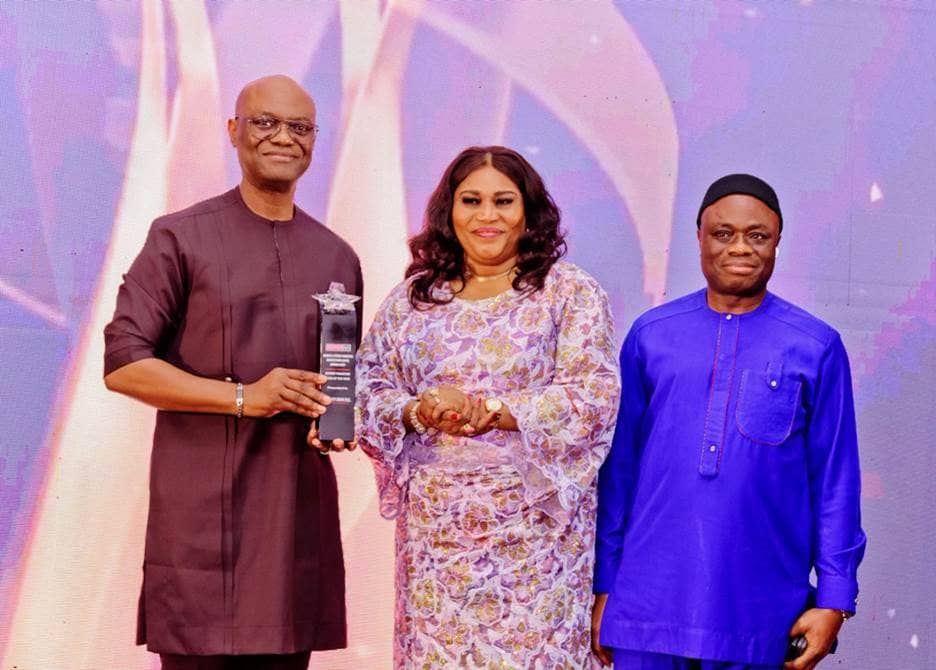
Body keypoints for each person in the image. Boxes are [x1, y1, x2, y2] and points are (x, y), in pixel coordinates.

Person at [103, 75, 362, 670]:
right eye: (265, 122)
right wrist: (246, 396)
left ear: (314, 142)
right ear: (233, 131)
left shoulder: (338, 257)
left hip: (293, 527)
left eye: (299, 128)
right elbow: (123, 363)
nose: (282, 138)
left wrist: (343, 416)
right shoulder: (179, 236)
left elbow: (341, 379)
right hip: (202, 526)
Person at [355, 146, 620, 668]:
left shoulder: (569, 293)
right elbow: (367, 385)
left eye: (503, 201)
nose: (487, 216)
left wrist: (491, 410)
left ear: (530, 211)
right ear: (448, 212)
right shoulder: (414, 299)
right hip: (437, 539)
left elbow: (591, 395)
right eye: (471, 200)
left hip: (536, 541)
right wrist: (419, 411)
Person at [592, 174, 866, 670]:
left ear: (777, 241)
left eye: (757, 235)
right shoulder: (651, 336)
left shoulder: (815, 346)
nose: (740, 247)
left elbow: (835, 484)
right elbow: (619, 473)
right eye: (723, 233)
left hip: (761, 610)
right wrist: (604, 583)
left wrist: (834, 597)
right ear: (699, 236)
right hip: (647, 607)